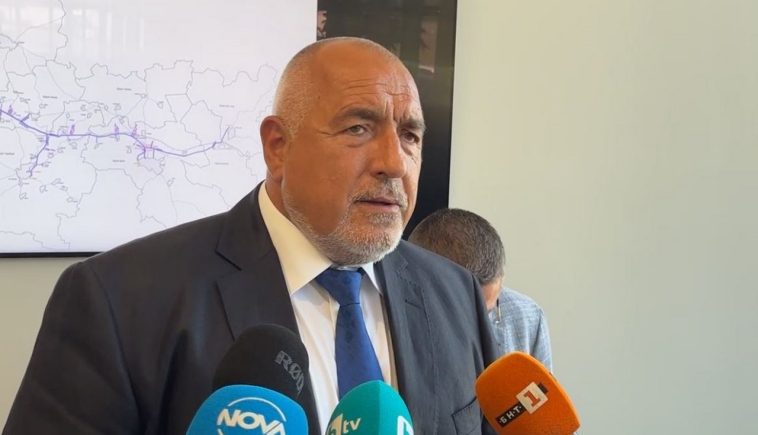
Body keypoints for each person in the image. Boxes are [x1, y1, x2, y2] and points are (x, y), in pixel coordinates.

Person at [3, 38, 497, 435]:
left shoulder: (454, 293)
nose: (395, 163)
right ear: (278, 147)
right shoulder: (118, 300)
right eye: (358, 128)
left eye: (410, 135)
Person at [409, 208, 553, 370]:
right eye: (468, 314)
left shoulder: (529, 318)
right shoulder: (392, 326)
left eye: (489, 311)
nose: (481, 327)